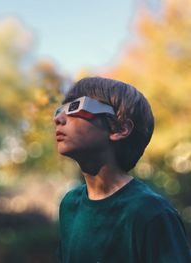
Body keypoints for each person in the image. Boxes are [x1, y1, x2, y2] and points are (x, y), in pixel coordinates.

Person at [54, 77, 191, 262]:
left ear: (119, 128)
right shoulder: (69, 205)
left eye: (75, 107)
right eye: (59, 111)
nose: (58, 118)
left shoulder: (151, 213)